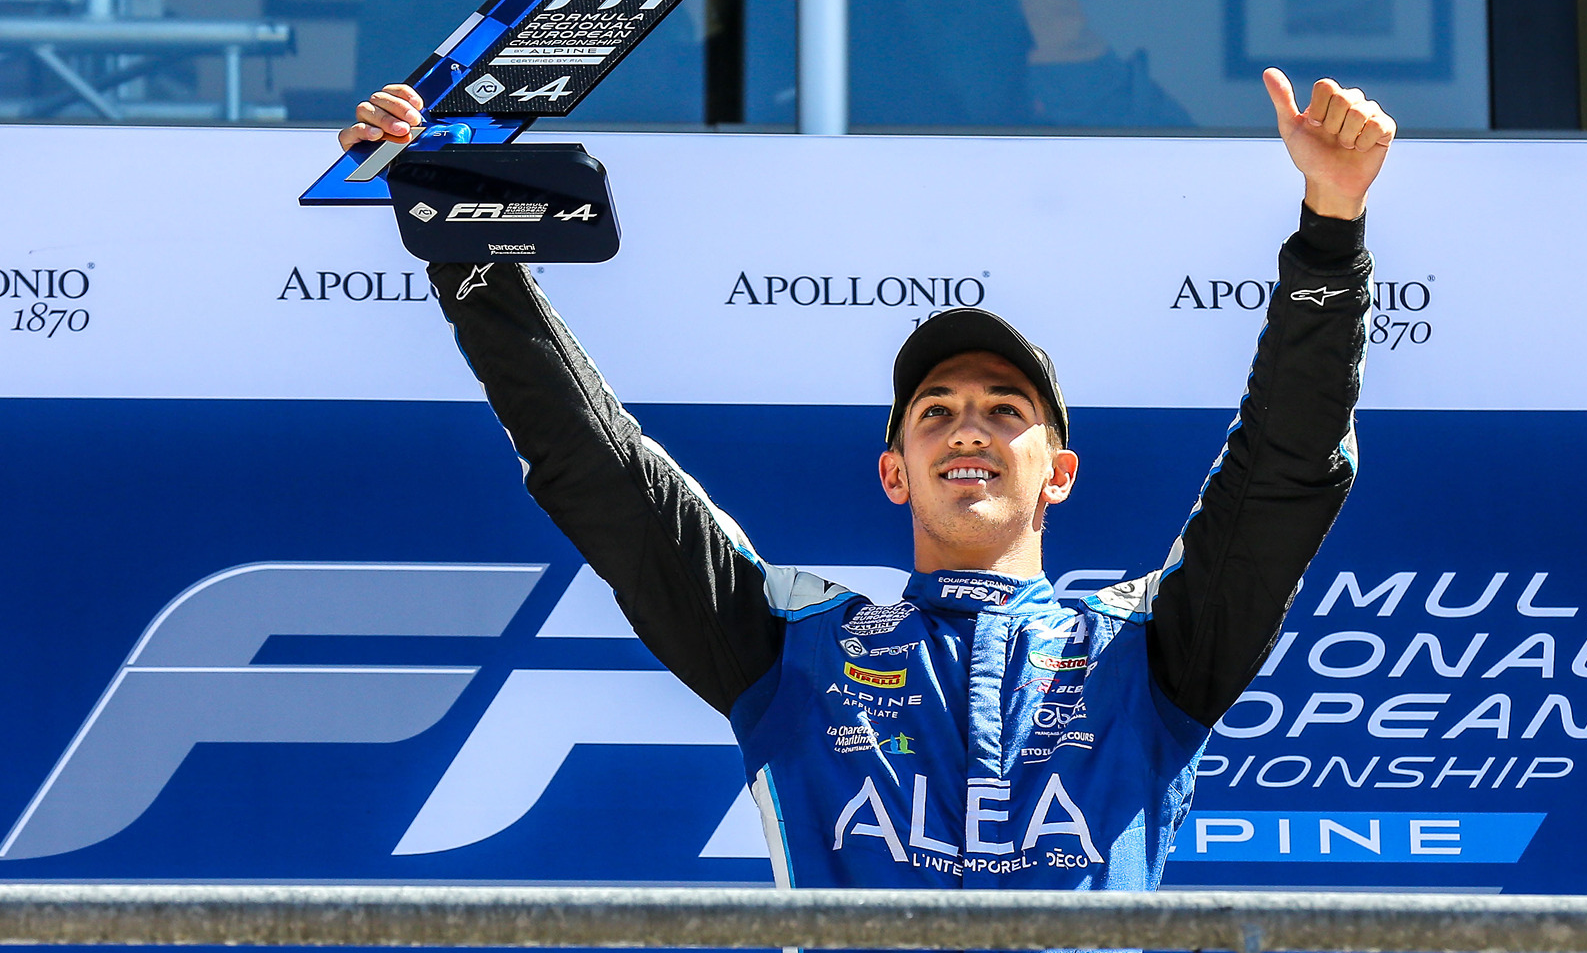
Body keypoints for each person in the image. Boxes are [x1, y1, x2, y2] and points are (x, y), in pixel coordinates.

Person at [340, 68, 1393, 889]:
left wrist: (1332, 230)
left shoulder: (1150, 652)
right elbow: (600, 472)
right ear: (896, 472)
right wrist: (462, 238)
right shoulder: (792, 643)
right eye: (935, 413)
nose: (965, 429)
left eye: (1004, 411)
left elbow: (1282, 473)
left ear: (1057, 473)